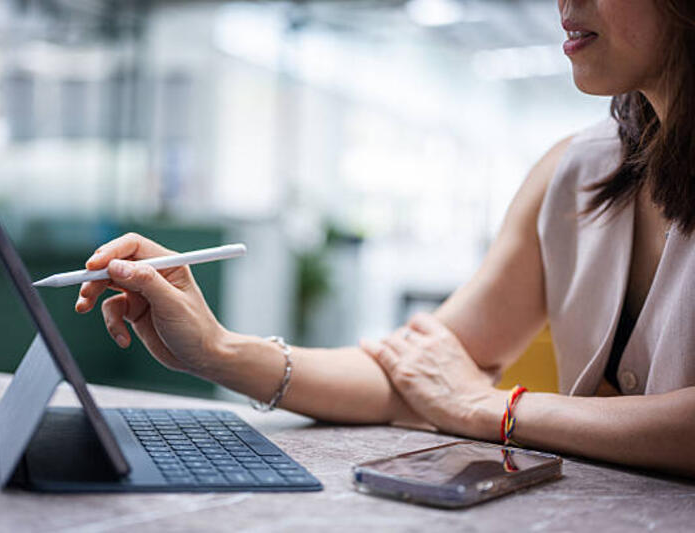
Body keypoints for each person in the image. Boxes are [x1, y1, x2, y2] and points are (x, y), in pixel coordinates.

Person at [75, 0, 695, 478]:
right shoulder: (575, 172)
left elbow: (458, 393)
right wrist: (217, 348)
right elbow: (422, 371)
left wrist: (493, 408)